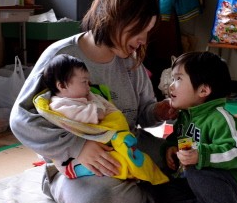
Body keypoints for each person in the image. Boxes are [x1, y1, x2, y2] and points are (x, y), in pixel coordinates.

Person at [9, 0, 177, 203]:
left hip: (127, 146)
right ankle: (160, 194)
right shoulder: (62, 57)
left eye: (147, 32)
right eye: (139, 30)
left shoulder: (131, 62)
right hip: (77, 163)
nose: (143, 40)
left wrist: (158, 111)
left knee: (180, 160)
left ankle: (150, 186)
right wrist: (77, 146)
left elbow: (142, 115)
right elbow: (21, 119)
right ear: (115, 17)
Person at [156, 51, 237, 203]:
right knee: (162, 182)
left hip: (236, 192)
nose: (171, 86)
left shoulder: (220, 118)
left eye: (178, 79)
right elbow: (180, 138)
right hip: (203, 189)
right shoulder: (186, 115)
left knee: (195, 169)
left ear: (203, 91)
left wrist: (201, 155)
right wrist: (171, 147)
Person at [35, 53, 168, 184]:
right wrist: (96, 111)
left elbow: (109, 108)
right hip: (73, 158)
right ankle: (75, 170)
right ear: (62, 86)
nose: (89, 86)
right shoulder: (59, 104)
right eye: (84, 82)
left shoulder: (87, 95)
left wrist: (157, 112)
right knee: (115, 163)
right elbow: (81, 116)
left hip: (104, 142)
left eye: (88, 82)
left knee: (155, 154)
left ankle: (136, 169)